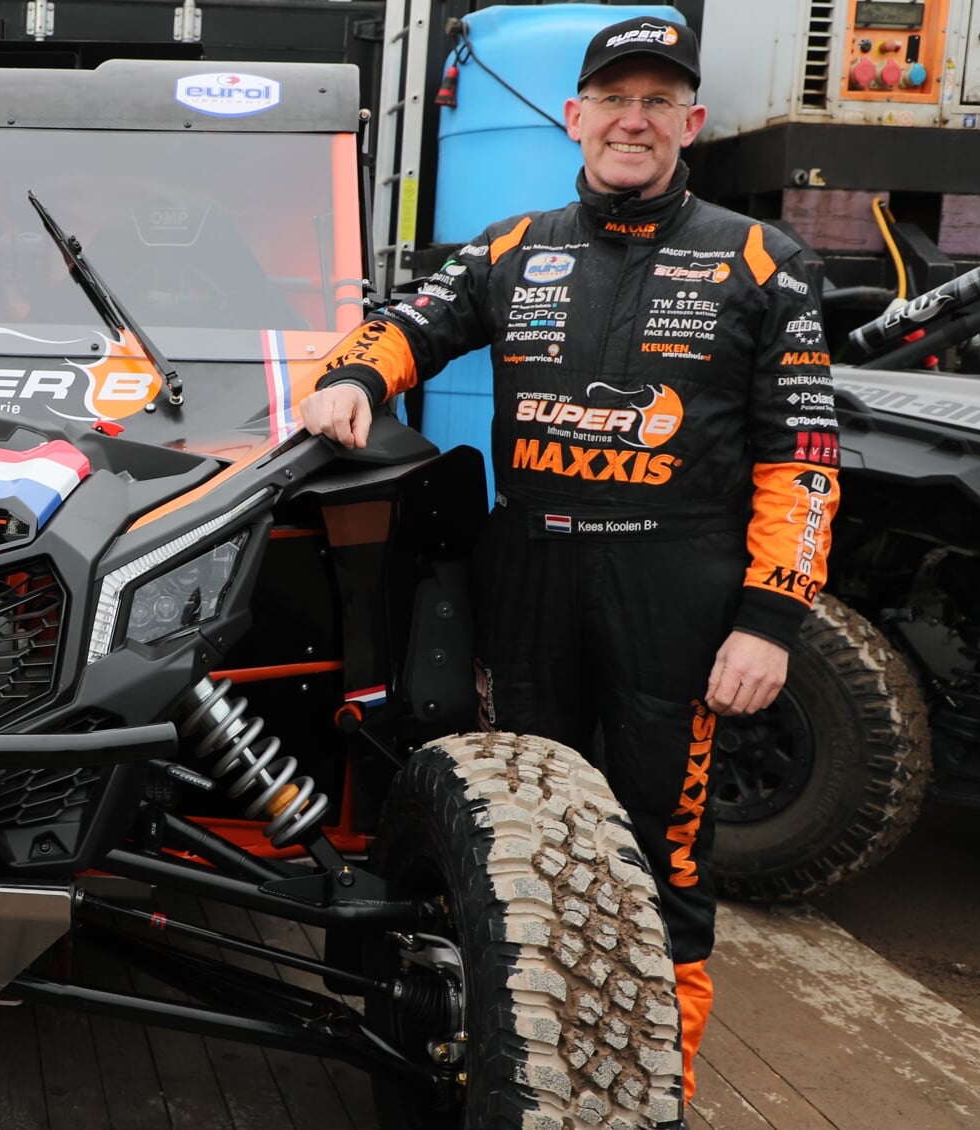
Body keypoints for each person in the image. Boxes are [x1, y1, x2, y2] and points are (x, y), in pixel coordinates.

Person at [300, 15, 839, 1105]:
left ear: (691, 122)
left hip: (676, 591)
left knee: (662, 850)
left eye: (657, 101)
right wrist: (355, 380)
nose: (632, 119)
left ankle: (658, 1087)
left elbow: (806, 460)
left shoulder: (762, 258)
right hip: (531, 577)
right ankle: (535, 1063)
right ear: (575, 116)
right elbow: (406, 322)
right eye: (613, 98)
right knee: (529, 835)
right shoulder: (511, 246)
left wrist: (771, 616)